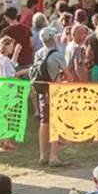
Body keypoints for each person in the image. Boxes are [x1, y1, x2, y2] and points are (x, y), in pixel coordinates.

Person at [31, 29, 68, 166]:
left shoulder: (39, 54)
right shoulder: (58, 55)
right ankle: (53, 156)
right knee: (55, 123)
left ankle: (42, 155)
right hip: (55, 91)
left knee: (44, 122)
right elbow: (67, 72)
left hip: (42, 91)